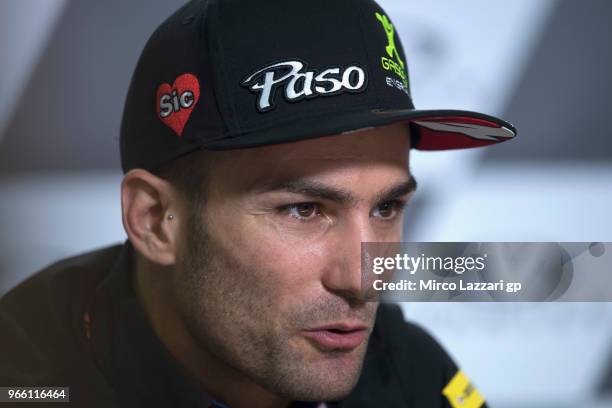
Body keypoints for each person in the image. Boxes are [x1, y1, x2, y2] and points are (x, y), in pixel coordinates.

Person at [0, 0, 516, 406]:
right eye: (304, 210)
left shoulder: (404, 366)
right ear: (156, 221)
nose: (364, 278)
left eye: (385, 209)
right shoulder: (27, 380)